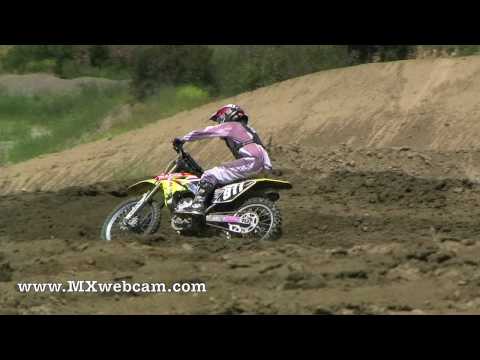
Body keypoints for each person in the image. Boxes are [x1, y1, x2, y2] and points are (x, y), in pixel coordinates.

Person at [173, 104, 272, 216]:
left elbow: (207, 132)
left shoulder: (231, 126)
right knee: (226, 182)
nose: (219, 122)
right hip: (263, 163)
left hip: (252, 161)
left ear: (226, 114)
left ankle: (197, 205)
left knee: (210, 174)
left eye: (219, 119)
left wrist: (183, 139)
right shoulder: (248, 129)